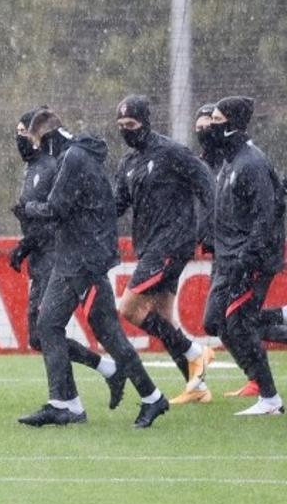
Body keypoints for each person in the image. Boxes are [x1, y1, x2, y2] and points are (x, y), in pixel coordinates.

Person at [17, 108, 167, 428]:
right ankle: (71, 403)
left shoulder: (73, 159)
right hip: (77, 256)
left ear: (50, 137)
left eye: (39, 142)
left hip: (82, 258)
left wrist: (29, 208)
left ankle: (74, 403)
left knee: (73, 329)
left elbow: (57, 208)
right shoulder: (78, 155)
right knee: (59, 327)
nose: (38, 149)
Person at [9, 108, 124, 407]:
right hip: (43, 256)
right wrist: (26, 245)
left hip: (57, 257)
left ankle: (67, 401)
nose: (19, 139)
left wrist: (33, 237)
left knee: (47, 329)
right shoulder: (33, 167)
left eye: (23, 132)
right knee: (42, 335)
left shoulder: (51, 166)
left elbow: (57, 214)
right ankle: (107, 370)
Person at [112, 95, 216, 405]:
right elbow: (117, 205)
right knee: (162, 318)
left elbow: (206, 183)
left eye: (130, 124)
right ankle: (196, 386)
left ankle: (196, 352)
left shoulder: (172, 152)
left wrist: (207, 228)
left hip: (171, 243)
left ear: (145, 122)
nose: (126, 131)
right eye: (120, 126)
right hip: (149, 247)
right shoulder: (127, 163)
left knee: (128, 308)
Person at [202, 96, 285, 416]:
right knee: (216, 321)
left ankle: (270, 399)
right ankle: (280, 317)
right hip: (227, 259)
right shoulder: (229, 161)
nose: (211, 125)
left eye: (218, 119)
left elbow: (266, 218)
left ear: (233, 124)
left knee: (238, 323)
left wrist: (246, 258)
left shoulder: (252, 163)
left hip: (247, 261)